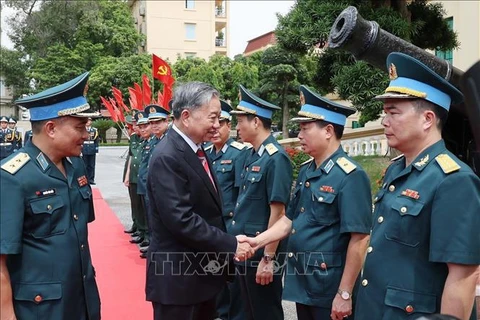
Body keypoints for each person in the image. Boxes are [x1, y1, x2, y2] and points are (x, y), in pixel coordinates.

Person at [355, 52, 480, 320]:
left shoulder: (453, 180)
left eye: (393, 112)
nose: (384, 121)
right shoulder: (397, 170)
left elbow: (463, 276)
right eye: (384, 113)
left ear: (427, 119)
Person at [240, 85, 373, 320]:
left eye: (305, 128)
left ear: (328, 131)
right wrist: (257, 241)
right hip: (303, 283)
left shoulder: (350, 176)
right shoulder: (307, 171)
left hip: (329, 287)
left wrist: (344, 293)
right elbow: (289, 220)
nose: (299, 135)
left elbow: (359, 238)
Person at [146, 81, 254, 320]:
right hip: (179, 282)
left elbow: (207, 211)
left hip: (199, 276)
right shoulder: (168, 156)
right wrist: (231, 244)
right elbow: (181, 220)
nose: (217, 125)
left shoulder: (195, 148)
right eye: (212, 117)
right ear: (186, 116)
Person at [0, 72, 101, 320]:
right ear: (51, 128)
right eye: (79, 128)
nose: (86, 136)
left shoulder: (76, 166)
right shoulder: (13, 177)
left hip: (82, 298)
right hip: (41, 309)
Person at [228, 85, 293, 320]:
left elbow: (278, 213)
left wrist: (268, 258)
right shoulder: (251, 155)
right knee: (245, 310)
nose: (237, 127)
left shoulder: (276, 159)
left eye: (240, 121)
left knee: (264, 310)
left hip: (262, 251)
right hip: (246, 248)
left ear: (256, 122)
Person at [205, 100, 247, 320]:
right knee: (214, 272)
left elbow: (242, 194)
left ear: (228, 126)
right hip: (212, 226)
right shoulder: (206, 153)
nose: (216, 129)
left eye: (221, 123)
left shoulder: (239, 153)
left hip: (230, 224)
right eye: (213, 123)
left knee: (232, 278)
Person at [137, 104, 170, 258]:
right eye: (152, 123)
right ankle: (153, 246)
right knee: (152, 220)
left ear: (167, 121)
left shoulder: (169, 140)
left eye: (158, 122)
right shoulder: (153, 141)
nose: (154, 126)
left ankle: (158, 249)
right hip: (150, 188)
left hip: (162, 190)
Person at [129, 111, 151, 246]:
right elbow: (132, 160)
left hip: (148, 183)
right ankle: (144, 234)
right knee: (140, 208)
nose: (142, 129)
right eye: (140, 126)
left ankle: (149, 237)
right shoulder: (143, 142)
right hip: (139, 180)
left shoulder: (153, 142)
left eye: (145, 126)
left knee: (149, 213)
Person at [81, 117, 100, 185]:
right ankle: (85, 179)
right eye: (87, 121)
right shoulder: (82, 130)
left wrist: (96, 149)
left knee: (91, 165)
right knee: (84, 165)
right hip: (84, 148)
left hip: (92, 149)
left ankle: (91, 179)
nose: (88, 122)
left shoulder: (94, 130)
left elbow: (96, 140)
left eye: (90, 121)